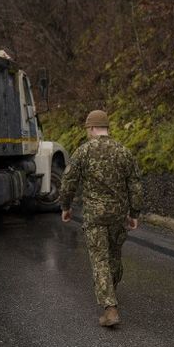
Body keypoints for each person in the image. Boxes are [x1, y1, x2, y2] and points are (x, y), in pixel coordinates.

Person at [60, 110, 143, 328]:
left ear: (91, 128)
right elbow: (135, 185)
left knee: (100, 260)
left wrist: (66, 207)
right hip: (118, 214)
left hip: (95, 215)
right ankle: (111, 292)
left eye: (87, 129)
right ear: (107, 127)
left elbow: (68, 183)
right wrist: (134, 214)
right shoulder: (123, 152)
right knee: (114, 256)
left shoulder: (84, 152)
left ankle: (110, 307)